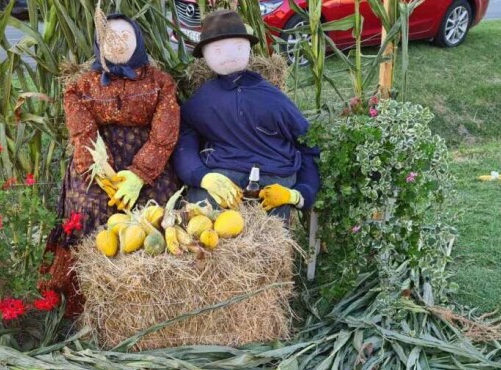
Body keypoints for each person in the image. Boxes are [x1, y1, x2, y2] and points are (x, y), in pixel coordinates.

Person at [43, 9, 180, 313]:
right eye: (109, 37)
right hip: (97, 159)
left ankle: (149, 301)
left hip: (147, 159)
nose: (117, 43)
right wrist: (102, 174)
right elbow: (83, 132)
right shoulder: (81, 86)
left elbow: (165, 132)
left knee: (155, 213)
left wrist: (139, 175)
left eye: (125, 36)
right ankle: (82, 304)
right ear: (98, 42)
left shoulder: (161, 83)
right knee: (86, 208)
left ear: (138, 41)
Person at [172, 10, 320, 219]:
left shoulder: (275, 100)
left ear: (248, 48)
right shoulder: (199, 103)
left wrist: (300, 193)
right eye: (218, 50)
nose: (228, 56)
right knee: (203, 226)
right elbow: (183, 144)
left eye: (237, 47)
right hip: (222, 173)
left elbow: (307, 144)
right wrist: (202, 176)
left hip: (273, 175)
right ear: (205, 55)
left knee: (271, 234)